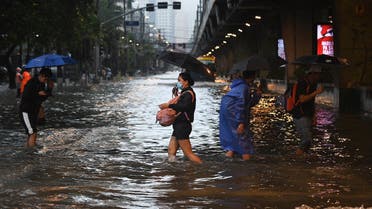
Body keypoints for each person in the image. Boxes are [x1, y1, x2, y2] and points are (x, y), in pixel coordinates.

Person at [159, 72, 202, 164]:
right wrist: (176, 96)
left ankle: (202, 167)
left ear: (186, 82)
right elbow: (181, 105)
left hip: (183, 126)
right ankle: (175, 171)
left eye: (179, 80)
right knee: (171, 151)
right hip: (179, 125)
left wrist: (168, 105)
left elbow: (183, 107)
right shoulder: (184, 93)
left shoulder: (188, 94)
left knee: (188, 153)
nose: (178, 82)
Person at [219, 70, 262, 161]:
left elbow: (247, 104)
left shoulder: (238, 86)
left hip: (226, 111)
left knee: (234, 139)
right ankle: (247, 166)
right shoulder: (244, 88)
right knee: (243, 139)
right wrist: (241, 122)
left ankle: (228, 159)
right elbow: (241, 105)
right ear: (251, 78)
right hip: (233, 113)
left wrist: (256, 95)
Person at [291, 65, 324, 155]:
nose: (319, 76)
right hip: (300, 115)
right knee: (306, 140)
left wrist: (314, 116)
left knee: (308, 141)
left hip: (307, 114)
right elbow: (302, 99)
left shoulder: (313, 84)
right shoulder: (302, 83)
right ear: (312, 74)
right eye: (317, 74)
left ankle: (302, 159)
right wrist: (317, 92)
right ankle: (294, 159)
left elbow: (311, 102)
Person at [19, 67, 52, 148]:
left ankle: (28, 152)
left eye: (47, 79)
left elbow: (42, 98)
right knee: (32, 133)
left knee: (32, 132)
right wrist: (43, 92)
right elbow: (32, 96)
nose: (46, 81)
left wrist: (48, 90)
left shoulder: (41, 84)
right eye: (46, 79)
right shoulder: (32, 82)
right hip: (26, 111)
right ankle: (31, 155)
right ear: (41, 75)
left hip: (33, 111)